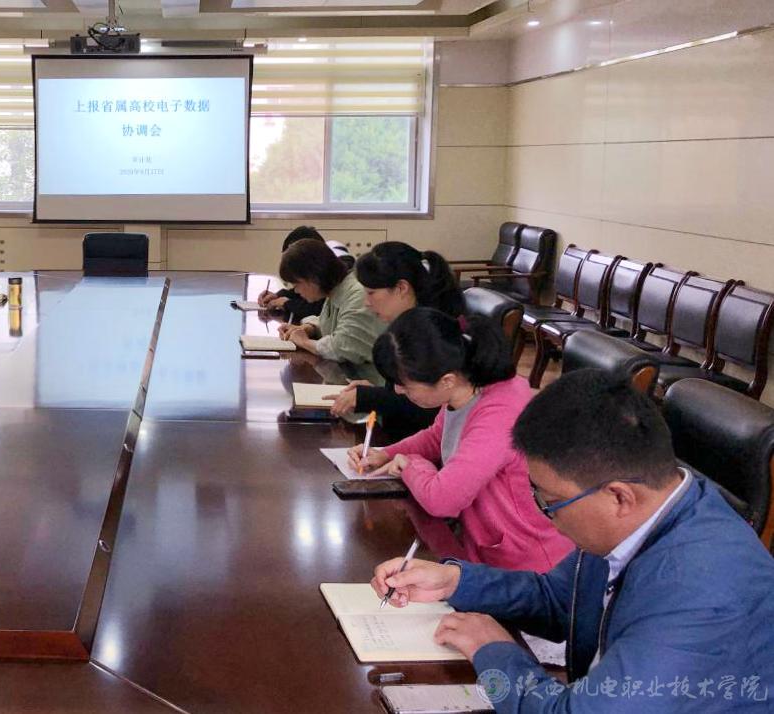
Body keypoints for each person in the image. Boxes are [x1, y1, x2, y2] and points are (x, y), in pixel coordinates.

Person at [370, 369, 774, 713]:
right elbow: (559, 597)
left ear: (619, 497)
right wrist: (455, 582)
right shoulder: (649, 512)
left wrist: (493, 652)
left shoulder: (702, 594)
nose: (544, 515)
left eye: (549, 502)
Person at [349, 308, 572, 572]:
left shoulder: (500, 413)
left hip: (526, 564)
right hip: (484, 546)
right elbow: (437, 437)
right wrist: (385, 453)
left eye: (405, 385)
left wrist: (410, 465)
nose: (398, 390)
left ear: (446, 380)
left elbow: (443, 500)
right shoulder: (465, 388)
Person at [330, 242, 466, 442]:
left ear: (402, 288)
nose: (366, 303)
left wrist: (371, 397)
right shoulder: (411, 323)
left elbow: (429, 410)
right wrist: (377, 392)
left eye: (371, 293)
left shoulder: (432, 332)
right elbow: (412, 392)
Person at [274, 240, 386, 367]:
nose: (296, 290)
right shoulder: (336, 290)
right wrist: (309, 328)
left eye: (296, 284)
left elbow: (343, 347)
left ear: (313, 278)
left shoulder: (357, 294)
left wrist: (304, 342)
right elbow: (333, 321)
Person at [256, 226, 326, 323]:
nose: (296, 289)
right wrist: (277, 296)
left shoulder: (327, 280)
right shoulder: (315, 274)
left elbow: (316, 309)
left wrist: (287, 303)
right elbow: (299, 294)